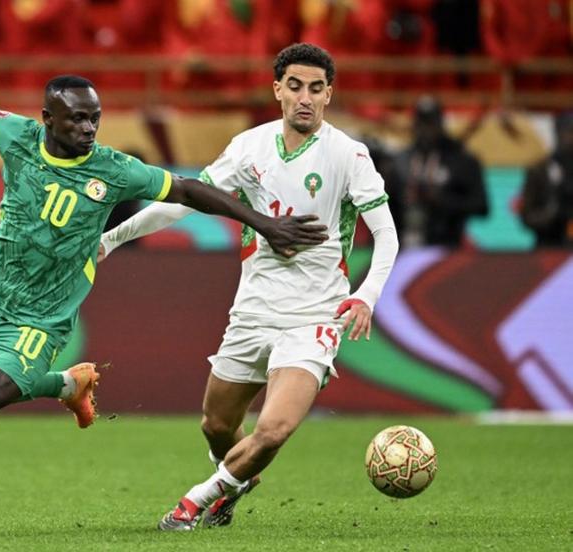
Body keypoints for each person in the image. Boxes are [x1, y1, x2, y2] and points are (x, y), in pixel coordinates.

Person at [0, 12, 324, 538]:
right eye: (77, 119)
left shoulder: (114, 169)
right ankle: (65, 385)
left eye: (94, 119)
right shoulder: (16, 137)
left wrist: (264, 223)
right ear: (48, 119)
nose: (88, 128)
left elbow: (189, 190)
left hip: (41, 315)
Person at [99, 43, 400, 530]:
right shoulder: (249, 147)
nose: (305, 97)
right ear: (277, 89)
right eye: (296, 86)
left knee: (274, 429)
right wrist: (112, 239)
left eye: (317, 88)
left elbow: (386, 234)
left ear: (329, 95)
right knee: (216, 425)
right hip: (253, 311)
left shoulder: (350, 155)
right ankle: (238, 480)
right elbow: (184, 201)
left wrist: (366, 294)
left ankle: (195, 501)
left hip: (314, 316)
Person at [393, 96, 488, 247]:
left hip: (447, 246)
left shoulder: (461, 160)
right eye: (422, 124)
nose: (426, 130)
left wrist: (441, 200)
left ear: (440, 124)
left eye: (431, 124)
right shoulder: (401, 160)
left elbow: (481, 206)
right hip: (405, 246)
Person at [520, 111, 573, 247]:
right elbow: (527, 216)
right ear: (557, 133)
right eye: (569, 132)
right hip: (548, 246)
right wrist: (552, 213)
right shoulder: (540, 170)